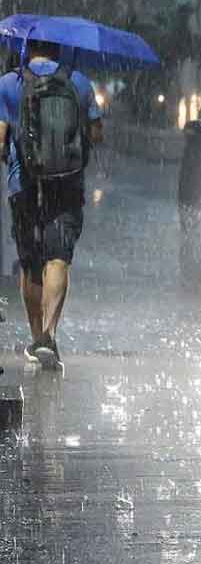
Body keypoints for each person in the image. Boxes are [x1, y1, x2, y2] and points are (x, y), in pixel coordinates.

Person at [0, 40, 103, 369]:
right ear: (61, 49)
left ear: (27, 49)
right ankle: (50, 336)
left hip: (23, 183)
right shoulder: (80, 82)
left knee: (30, 261)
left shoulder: (9, 83)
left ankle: (35, 338)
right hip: (67, 182)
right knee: (58, 258)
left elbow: (0, 139)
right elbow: (97, 133)